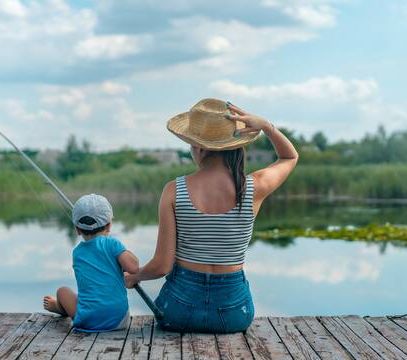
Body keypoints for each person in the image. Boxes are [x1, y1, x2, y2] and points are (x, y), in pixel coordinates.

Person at [124, 98, 298, 333]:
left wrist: (136, 276)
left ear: (200, 147)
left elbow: (161, 266)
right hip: (235, 314)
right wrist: (267, 126)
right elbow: (289, 157)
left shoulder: (174, 190)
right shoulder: (254, 187)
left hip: (178, 312)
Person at [43, 193, 139, 332]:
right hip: (119, 320)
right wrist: (121, 250)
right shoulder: (113, 244)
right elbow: (134, 267)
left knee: (62, 291)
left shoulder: (77, 253)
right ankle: (60, 307)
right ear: (109, 225)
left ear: (77, 229)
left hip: (88, 321)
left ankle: (59, 307)